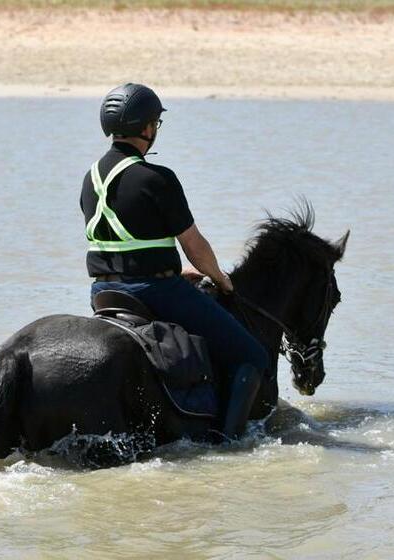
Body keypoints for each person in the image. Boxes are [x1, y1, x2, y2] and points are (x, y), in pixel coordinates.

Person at [80, 83, 268, 439]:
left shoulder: (90, 179)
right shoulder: (156, 178)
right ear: (147, 127)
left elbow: (121, 244)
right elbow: (194, 245)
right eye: (155, 123)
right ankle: (230, 445)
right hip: (154, 291)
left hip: (103, 292)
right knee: (252, 356)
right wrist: (221, 279)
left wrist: (173, 270)